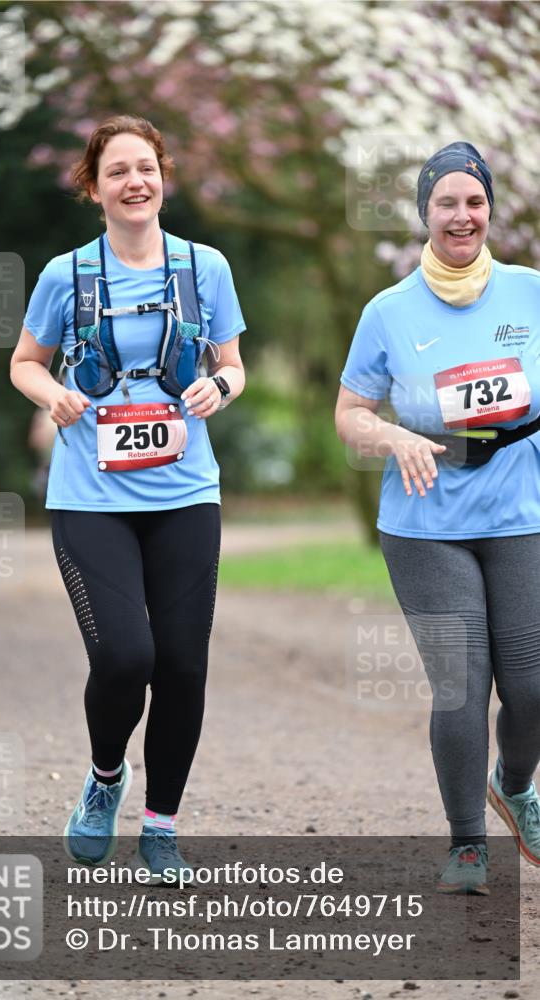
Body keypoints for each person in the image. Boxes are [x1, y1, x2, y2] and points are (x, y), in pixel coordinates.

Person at [11, 115, 246, 881]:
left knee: (182, 665)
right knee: (125, 658)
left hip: (185, 493)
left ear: (163, 175)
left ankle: (161, 825)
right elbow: (24, 362)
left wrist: (217, 385)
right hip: (90, 497)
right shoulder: (64, 274)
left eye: (145, 167)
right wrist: (53, 395)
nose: (134, 182)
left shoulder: (202, 266)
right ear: (94, 186)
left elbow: (232, 365)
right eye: (116, 171)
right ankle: (105, 778)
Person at [335, 141, 540, 894]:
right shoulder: (387, 312)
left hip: (520, 515)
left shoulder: (529, 292)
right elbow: (350, 413)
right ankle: (464, 844)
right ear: (424, 212)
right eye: (446, 202)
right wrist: (389, 434)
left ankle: (513, 786)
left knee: (531, 687)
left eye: (474, 201)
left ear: (489, 210)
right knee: (461, 682)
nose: (462, 215)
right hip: (425, 525)